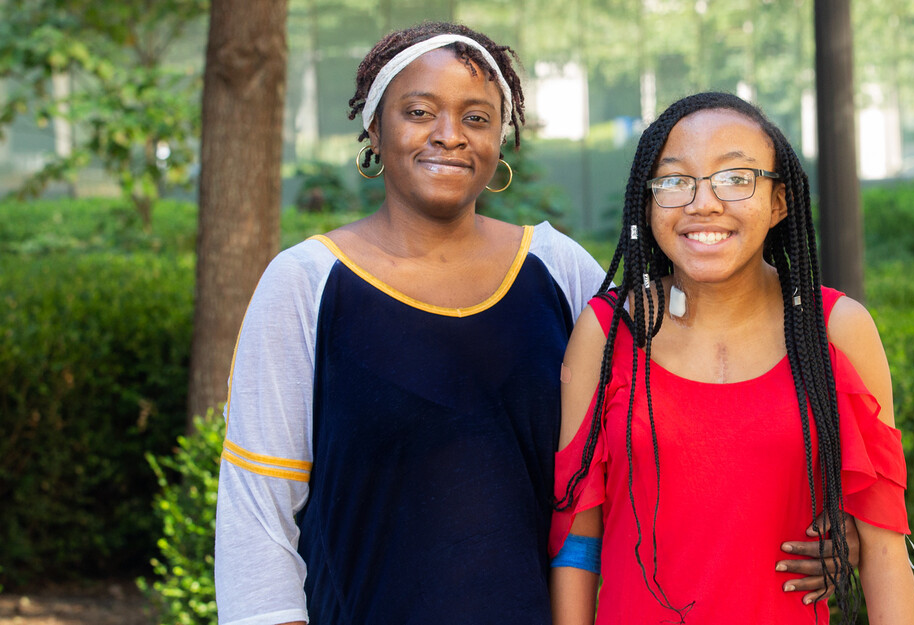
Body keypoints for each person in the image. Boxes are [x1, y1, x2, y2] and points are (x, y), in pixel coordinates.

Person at [214, 24, 852, 625]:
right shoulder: (305, 284)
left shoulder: (558, 269)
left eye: (476, 118)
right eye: (418, 112)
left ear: (501, 141)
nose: (449, 134)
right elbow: (257, 514)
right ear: (374, 131)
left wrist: (832, 524)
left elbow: (680, 420)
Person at [550, 92, 914, 624]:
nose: (704, 203)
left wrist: (850, 539)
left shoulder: (836, 330)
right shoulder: (607, 333)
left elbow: (884, 548)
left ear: (779, 202)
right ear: (647, 202)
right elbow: (575, 546)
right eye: (676, 181)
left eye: (736, 178)